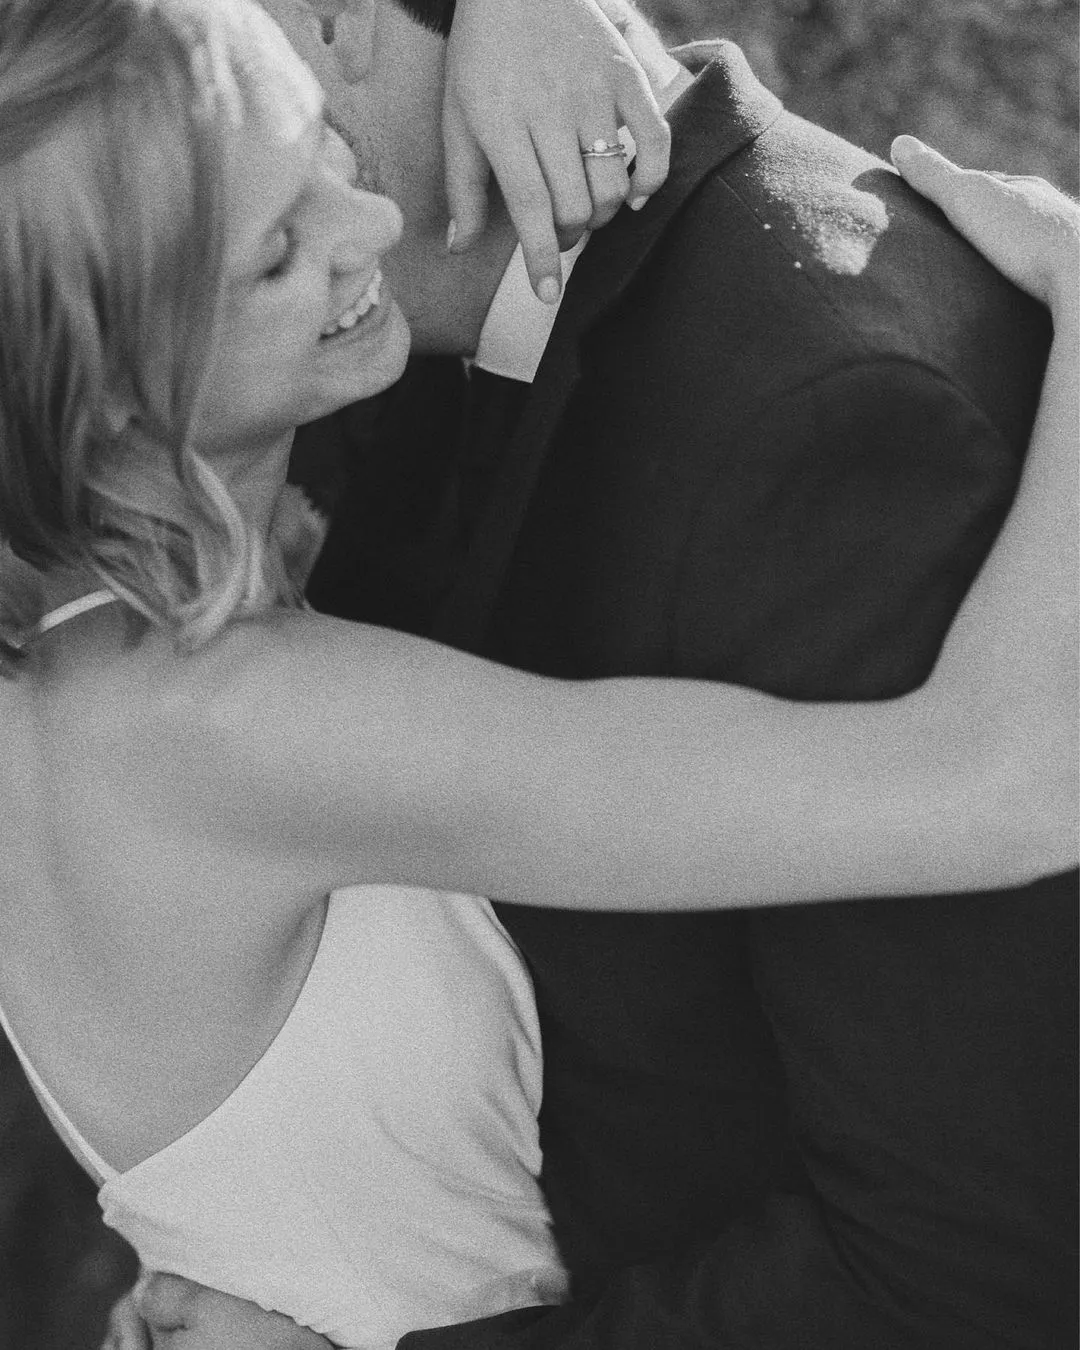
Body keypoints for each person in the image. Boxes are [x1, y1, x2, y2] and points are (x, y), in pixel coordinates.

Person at [0, 0, 1069, 1346]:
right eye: (277, 254)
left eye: (325, 147)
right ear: (109, 387)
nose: (371, 225)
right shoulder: (243, 724)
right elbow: (1007, 781)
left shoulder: (78, 649)